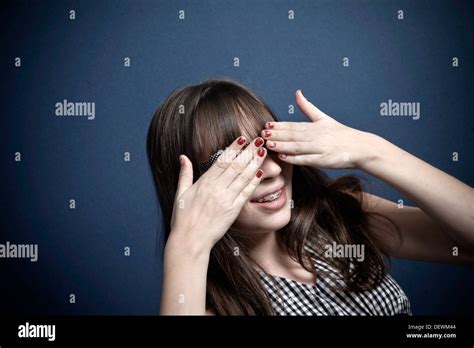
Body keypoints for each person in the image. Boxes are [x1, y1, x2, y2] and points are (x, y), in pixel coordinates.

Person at [146, 78, 474, 315]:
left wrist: (371, 151)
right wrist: (187, 244)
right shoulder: (217, 308)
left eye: (267, 145)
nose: (272, 170)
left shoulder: (339, 216)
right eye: (237, 161)